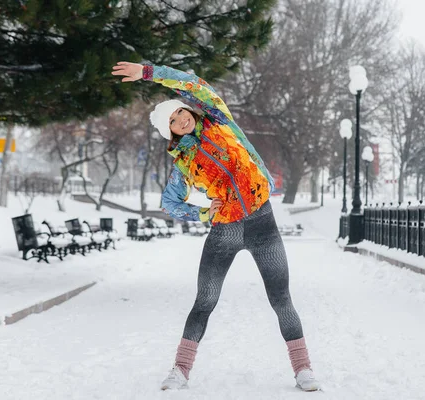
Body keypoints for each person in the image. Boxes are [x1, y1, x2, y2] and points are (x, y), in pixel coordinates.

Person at [111, 61, 320, 392]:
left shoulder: (219, 119)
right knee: (205, 301)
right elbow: (169, 203)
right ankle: (180, 370)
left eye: (180, 113)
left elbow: (193, 83)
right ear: (172, 133)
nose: (182, 119)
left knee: (281, 297)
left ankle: (303, 368)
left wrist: (149, 73)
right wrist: (204, 213)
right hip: (225, 232)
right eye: (174, 123)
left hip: (263, 221)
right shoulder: (184, 164)